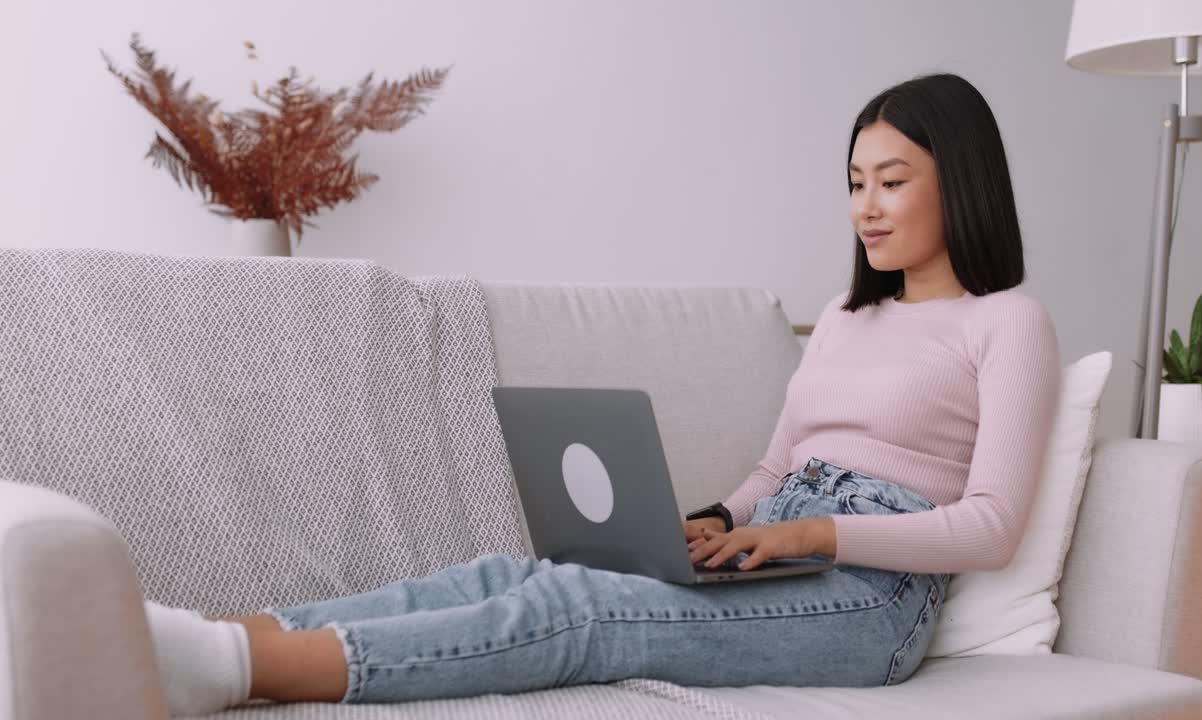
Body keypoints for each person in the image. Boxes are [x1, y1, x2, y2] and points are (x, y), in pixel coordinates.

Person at [142, 72, 1061, 715]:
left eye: (891, 183)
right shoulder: (845, 313)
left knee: (585, 615)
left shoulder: (1006, 323)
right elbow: (778, 467)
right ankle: (207, 636)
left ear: (962, 182)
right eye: (856, 183)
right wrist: (709, 521)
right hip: (781, 545)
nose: (865, 207)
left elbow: (989, 526)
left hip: (873, 601)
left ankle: (234, 668)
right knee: (520, 575)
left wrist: (814, 533)